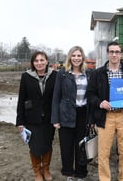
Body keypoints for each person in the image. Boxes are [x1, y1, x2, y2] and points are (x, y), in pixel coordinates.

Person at [86, 41, 123, 181]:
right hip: (105, 117)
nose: (114, 54)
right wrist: (100, 103)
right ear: (107, 53)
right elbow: (90, 95)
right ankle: (104, 179)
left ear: (121, 54)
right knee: (103, 153)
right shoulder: (98, 73)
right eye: (111, 52)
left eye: (117, 52)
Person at [16, 51, 57, 181]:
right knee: (34, 146)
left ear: (47, 61)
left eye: (42, 60)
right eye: (36, 61)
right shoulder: (26, 76)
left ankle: (46, 169)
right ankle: (37, 172)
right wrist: (20, 121)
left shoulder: (55, 75)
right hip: (32, 118)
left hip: (49, 118)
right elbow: (21, 99)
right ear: (33, 63)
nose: (39, 63)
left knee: (47, 144)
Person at [51, 46, 91, 181]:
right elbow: (56, 97)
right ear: (70, 57)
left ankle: (81, 173)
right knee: (66, 146)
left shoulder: (89, 74)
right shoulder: (62, 74)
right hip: (66, 113)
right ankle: (68, 173)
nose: (76, 58)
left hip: (82, 114)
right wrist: (55, 119)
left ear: (83, 58)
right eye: (73, 55)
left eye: (79, 55)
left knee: (81, 145)